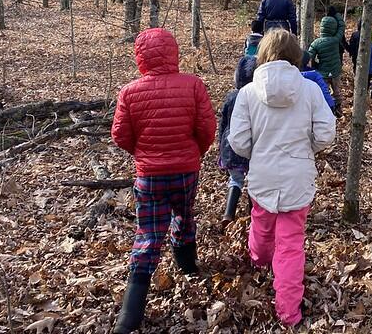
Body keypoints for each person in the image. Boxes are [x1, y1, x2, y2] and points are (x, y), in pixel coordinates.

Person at [110, 28, 216, 334]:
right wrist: (193, 152)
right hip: (185, 170)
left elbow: (120, 135)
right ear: (174, 53)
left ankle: (128, 319)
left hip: (150, 175)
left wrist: (144, 153)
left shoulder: (129, 92)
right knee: (184, 214)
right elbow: (207, 128)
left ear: (139, 57)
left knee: (148, 235)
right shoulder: (192, 85)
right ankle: (188, 266)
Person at [229, 29, 336, 326]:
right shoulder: (310, 90)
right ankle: (289, 313)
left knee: (261, 225)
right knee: (290, 245)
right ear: (296, 56)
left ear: (262, 54)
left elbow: (237, 140)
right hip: (298, 177)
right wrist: (307, 148)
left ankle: (259, 260)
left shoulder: (248, 93)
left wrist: (258, 152)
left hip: (262, 175)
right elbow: (326, 133)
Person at [218, 56, 256, 222]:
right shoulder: (256, 97)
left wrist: (221, 146)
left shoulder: (232, 97)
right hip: (250, 146)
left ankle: (229, 212)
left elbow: (223, 124)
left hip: (231, 145)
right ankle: (253, 212)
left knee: (235, 179)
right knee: (254, 179)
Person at [307, 14, 346, 110]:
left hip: (323, 72)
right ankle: (338, 108)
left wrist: (312, 67)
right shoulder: (336, 40)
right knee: (337, 91)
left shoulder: (316, 43)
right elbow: (341, 29)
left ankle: (326, 107)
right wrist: (338, 17)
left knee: (323, 90)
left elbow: (309, 57)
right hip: (335, 71)